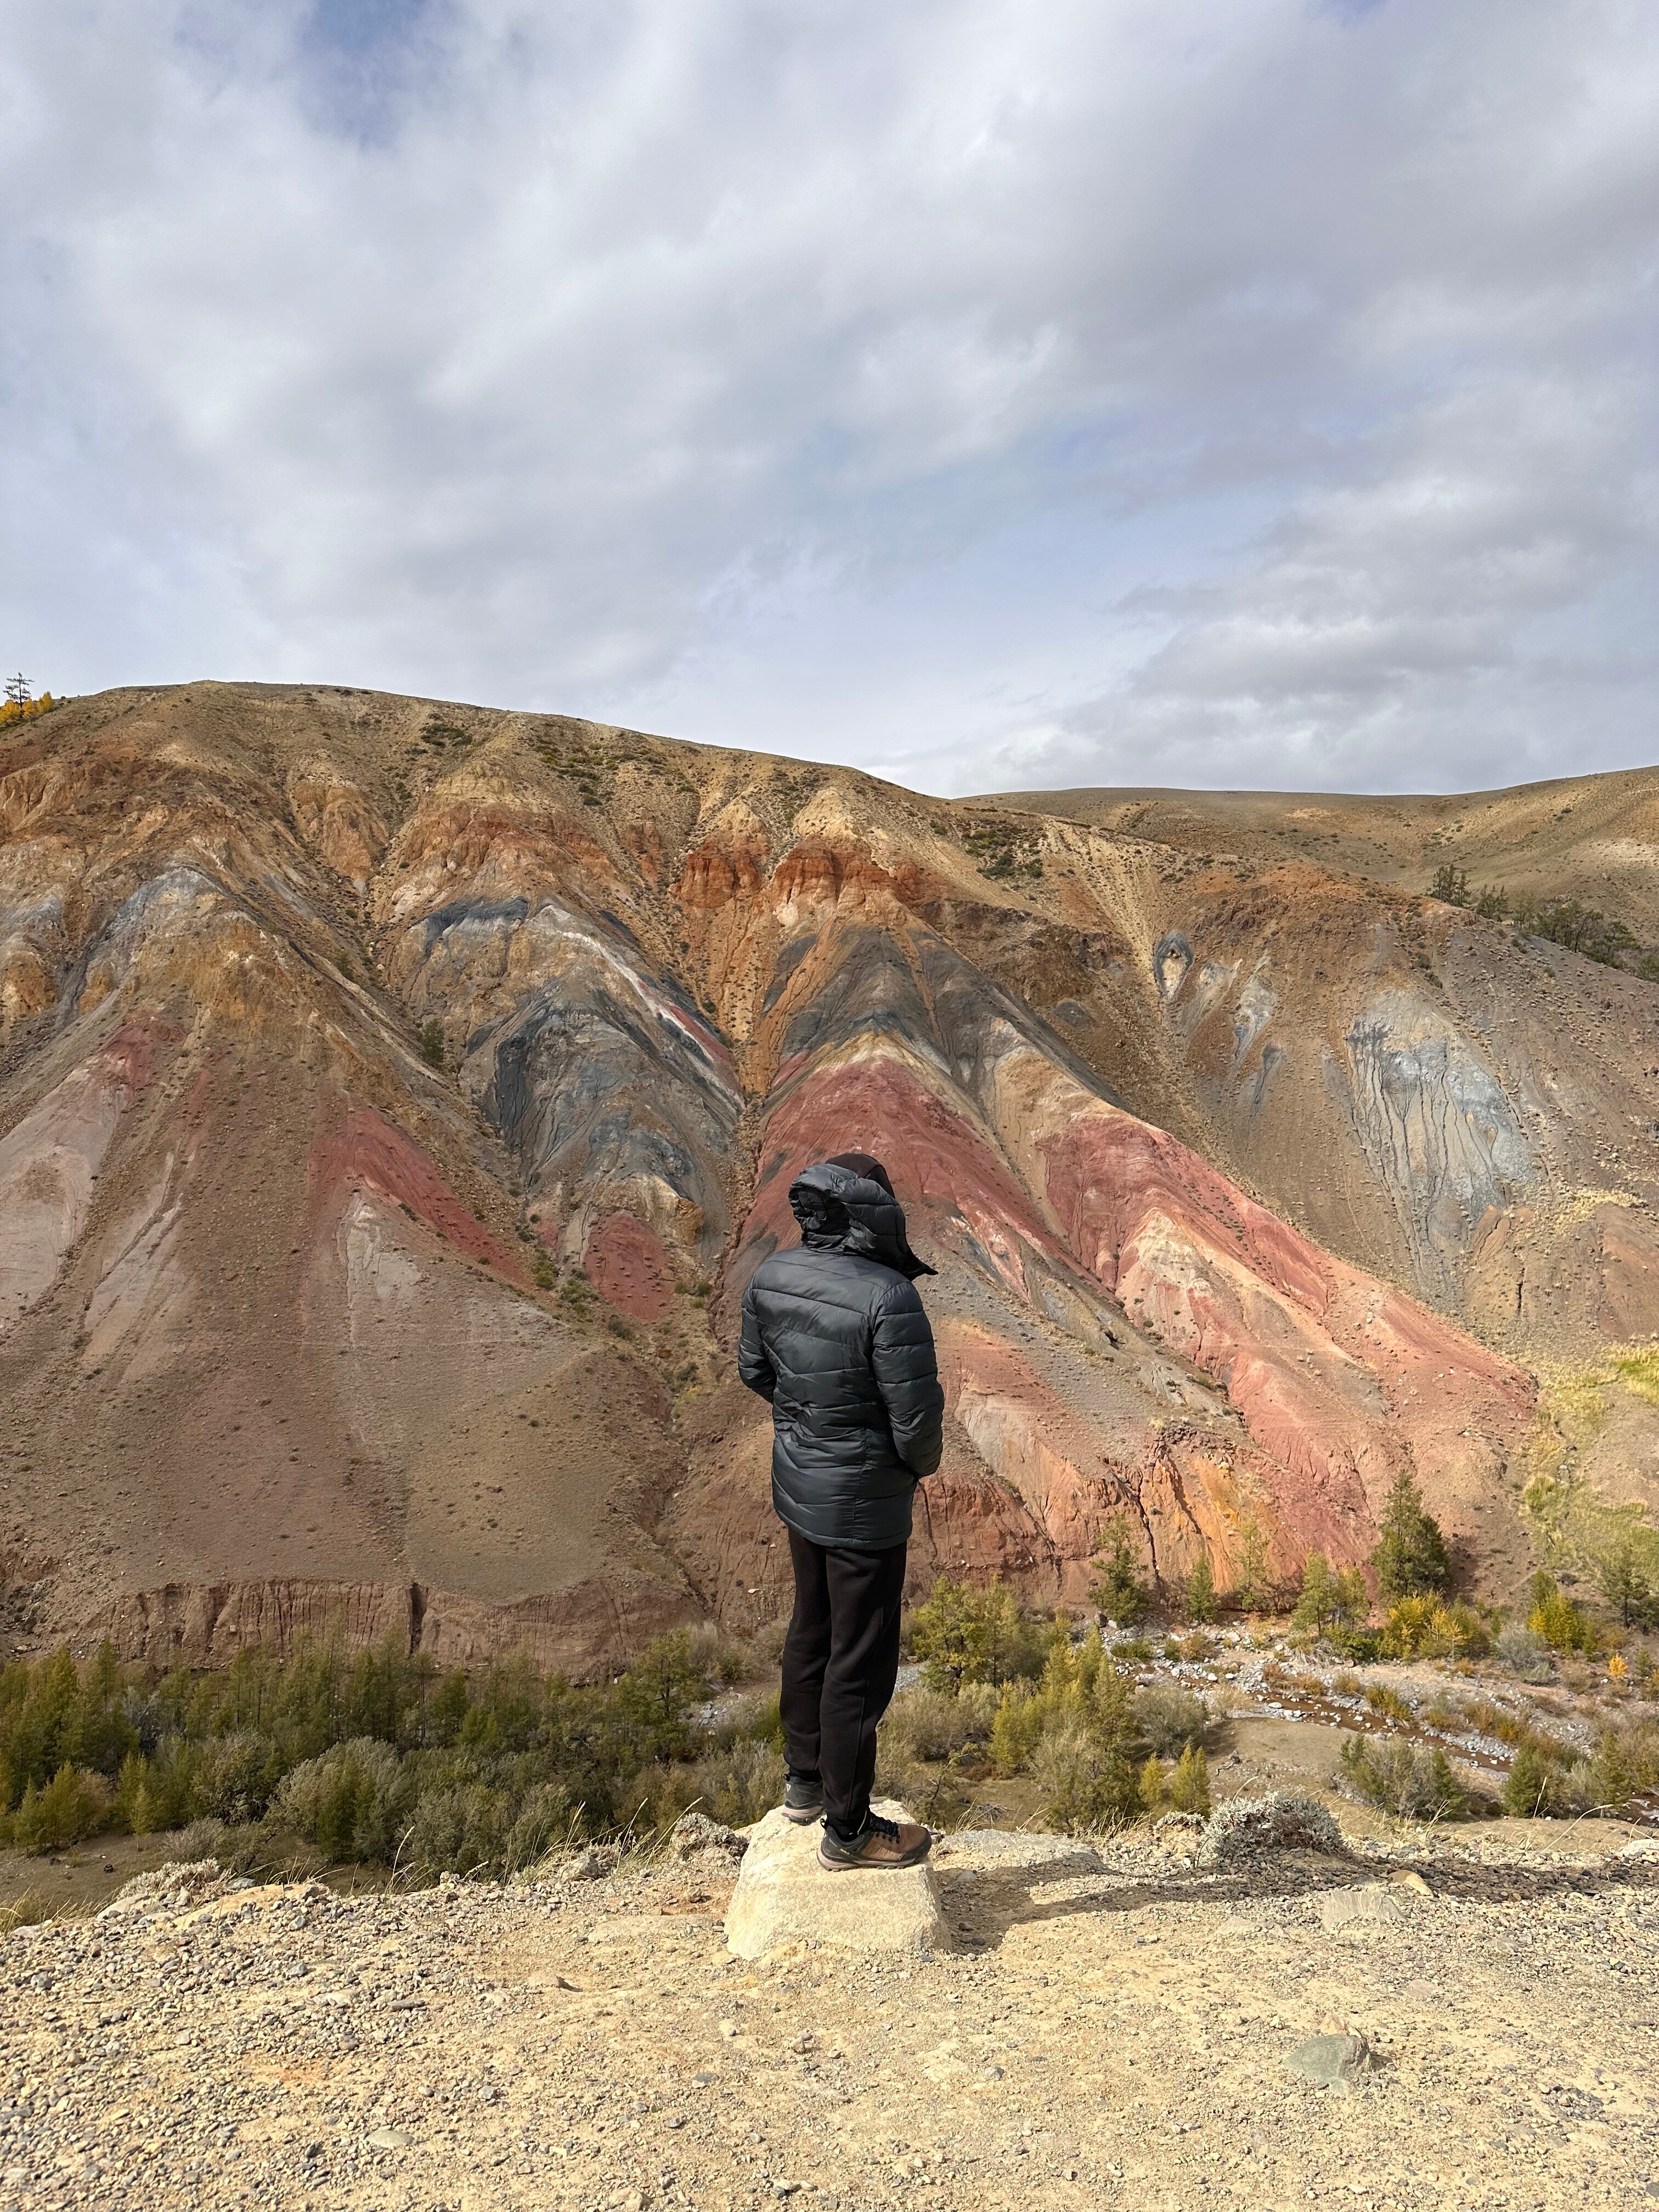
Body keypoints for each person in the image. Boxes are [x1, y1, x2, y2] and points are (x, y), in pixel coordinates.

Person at [738, 1152, 945, 1870]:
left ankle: (803, 1785)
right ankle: (851, 1831)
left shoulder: (773, 1274)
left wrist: (809, 1425)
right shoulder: (889, 1296)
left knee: (813, 1629)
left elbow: (754, 1370)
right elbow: (917, 1424)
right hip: (865, 1507)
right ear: (875, 1212)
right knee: (859, 1658)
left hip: (800, 1487)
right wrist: (905, 1467)